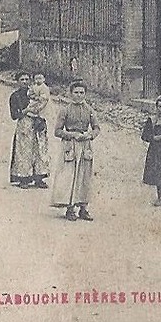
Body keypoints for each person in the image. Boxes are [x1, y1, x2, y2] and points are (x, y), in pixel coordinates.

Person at [51, 80, 98, 220]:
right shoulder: (65, 110)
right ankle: (70, 209)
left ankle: (83, 208)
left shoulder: (89, 110)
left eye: (81, 93)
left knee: (84, 177)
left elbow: (96, 127)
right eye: (76, 93)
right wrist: (72, 135)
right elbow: (57, 131)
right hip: (70, 146)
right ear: (71, 94)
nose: (79, 95)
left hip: (85, 145)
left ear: (85, 94)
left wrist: (89, 135)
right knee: (69, 177)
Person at [8, 72, 51, 188]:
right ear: (17, 81)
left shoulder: (35, 92)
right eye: (22, 79)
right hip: (24, 123)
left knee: (40, 149)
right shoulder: (14, 96)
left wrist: (41, 117)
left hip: (37, 121)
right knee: (24, 150)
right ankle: (23, 178)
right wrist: (25, 111)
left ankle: (39, 177)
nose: (25, 82)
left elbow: (44, 104)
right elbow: (13, 115)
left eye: (27, 79)